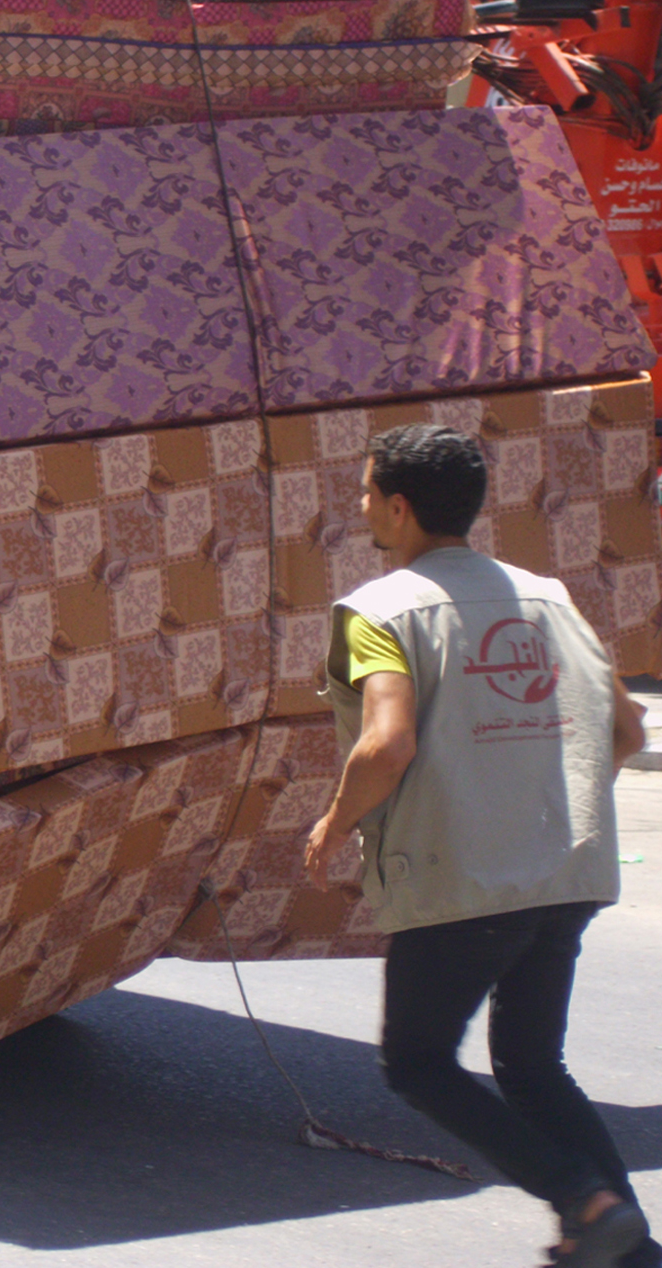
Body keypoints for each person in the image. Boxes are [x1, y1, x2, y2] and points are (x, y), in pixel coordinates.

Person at [305, 425, 655, 1268]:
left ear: (397, 505)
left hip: (462, 880)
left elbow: (385, 744)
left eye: (363, 494)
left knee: (418, 1062)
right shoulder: (549, 596)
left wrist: (334, 821)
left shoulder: (377, 611)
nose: (359, 509)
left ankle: (585, 1199)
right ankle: (627, 1244)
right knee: (532, 1066)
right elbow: (624, 724)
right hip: (566, 870)